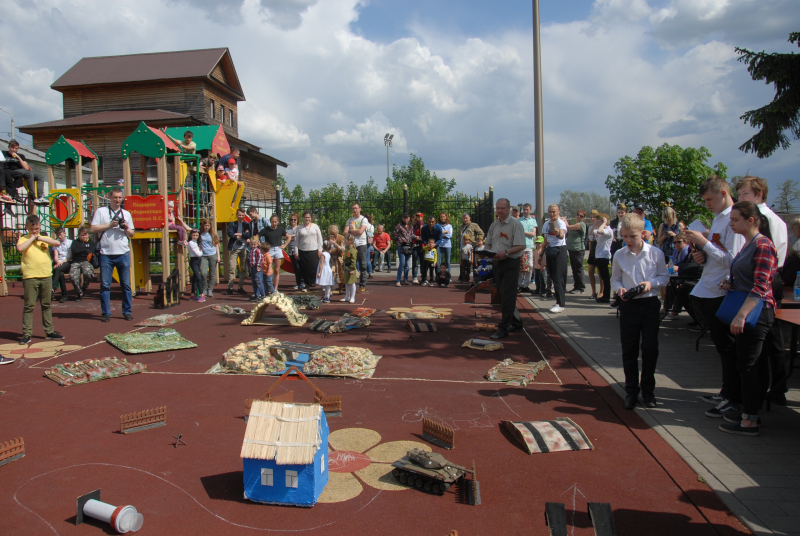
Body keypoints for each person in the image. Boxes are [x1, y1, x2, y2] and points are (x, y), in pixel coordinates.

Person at [683, 175, 744, 417]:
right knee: (721, 346)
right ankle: (726, 391)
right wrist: (702, 255)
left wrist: (704, 243)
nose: (707, 204)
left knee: (727, 347)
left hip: (723, 290)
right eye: (705, 200)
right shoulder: (719, 218)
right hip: (710, 286)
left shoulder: (733, 219)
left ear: (724, 193)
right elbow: (717, 253)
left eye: (710, 199)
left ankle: (733, 396)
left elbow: (732, 260)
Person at [717, 201, 778, 436]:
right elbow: (748, 278)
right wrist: (730, 283)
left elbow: (761, 286)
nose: (731, 224)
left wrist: (741, 315)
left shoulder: (763, 245)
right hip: (749, 309)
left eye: (735, 220)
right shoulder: (750, 244)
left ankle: (749, 420)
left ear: (751, 220)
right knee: (751, 364)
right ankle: (750, 411)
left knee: (748, 364)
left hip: (756, 313)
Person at [735, 176, 789, 405]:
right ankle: (772, 389)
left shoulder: (768, 220)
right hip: (759, 280)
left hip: (766, 281)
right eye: (739, 195)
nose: (740, 198)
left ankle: (775, 389)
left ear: (759, 194)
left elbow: (771, 257)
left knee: (769, 339)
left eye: (745, 194)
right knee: (765, 342)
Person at [611, 214, 670, 409]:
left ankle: (648, 391)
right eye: (625, 236)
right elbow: (615, 279)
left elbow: (664, 277)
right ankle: (631, 391)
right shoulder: (619, 255)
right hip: (629, 306)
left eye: (633, 236)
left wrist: (650, 284)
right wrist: (619, 289)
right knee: (629, 349)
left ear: (643, 234)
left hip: (650, 304)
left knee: (650, 348)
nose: (628, 240)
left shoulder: (655, 253)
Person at [17, 215, 64, 344]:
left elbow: (57, 243)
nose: (35, 231)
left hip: (46, 275)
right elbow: (20, 248)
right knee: (29, 305)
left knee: (46, 304)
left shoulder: (43, 238)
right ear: (27, 227)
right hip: (30, 276)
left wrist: (39, 237)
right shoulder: (23, 238)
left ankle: (49, 331)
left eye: (37, 229)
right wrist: (32, 238)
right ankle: (27, 333)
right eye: (32, 229)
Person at [91, 188, 136, 321]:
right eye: (115, 197)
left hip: (123, 253)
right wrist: (110, 225)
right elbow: (93, 229)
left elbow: (132, 234)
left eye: (120, 197)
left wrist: (126, 227)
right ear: (110, 197)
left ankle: (127, 311)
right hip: (106, 254)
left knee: (126, 285)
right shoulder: (101, 211)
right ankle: (106, 313)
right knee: (105, 285)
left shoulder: (126, 214)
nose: (117, 200)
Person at [485, 198, 527, 338]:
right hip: (497, 263)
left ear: (509, 209)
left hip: (510, 262)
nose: (500, 210)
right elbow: (488, 243)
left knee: (507, 294)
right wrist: (485, 252)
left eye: (502, 208)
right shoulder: (494, 225)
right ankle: (517, 322)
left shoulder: (515, 224)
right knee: (503, 295)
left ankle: (503, 328)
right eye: (498, 208)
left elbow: (521, 245)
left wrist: (506, 252)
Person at [542, 204, 568, 313]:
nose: (552, 214)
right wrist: (541, 254)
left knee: (558, 277)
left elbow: (562, 235)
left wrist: (558, 233)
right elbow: (545, 240)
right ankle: (558, 301)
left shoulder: (561, 222)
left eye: (554, 211)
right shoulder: (546, 224)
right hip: (550, 250)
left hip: (559, 249)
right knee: (552, 276)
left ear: (558, 211)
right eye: (550, 211)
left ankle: (560, 304)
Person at [657, 206, 685, 309]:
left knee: (674, 276)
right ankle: (665, 299)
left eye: (668, 217)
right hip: (665, 252)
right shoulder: (662, 225)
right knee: (664, 275)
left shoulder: (679, 225)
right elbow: (659, 241)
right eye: (665, 217)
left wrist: (674, 235)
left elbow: (684, 238)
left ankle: (673, 301)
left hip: (676, 252)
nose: (667, 219)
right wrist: (665, 236)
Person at [3, 140, 47, 205]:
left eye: (16, 148)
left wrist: (18, 157)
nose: (14, 150)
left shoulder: (21, 155)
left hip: (23, 170)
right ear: (9, 147)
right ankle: (33, 197)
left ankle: (40, 197)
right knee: (29, 173)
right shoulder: (4, 154)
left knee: (40, 176)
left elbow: (26, 168)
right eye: (12, 147)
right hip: (13, 170)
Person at [344, 203, 371, 292]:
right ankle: (349, 283)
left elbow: (360, 231)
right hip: (351, 245)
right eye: (353, 208)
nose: (354, 210)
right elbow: (345, 232)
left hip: (361, 244)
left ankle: (362, 285)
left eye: (356, 208)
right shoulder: (350, 220)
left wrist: (350, 231)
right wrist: (352, 231)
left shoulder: (364, 219)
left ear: (360, 209)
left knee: (362, 265)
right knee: (350, 264)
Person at [258, 214, 288, 291]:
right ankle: (268, 286)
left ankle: (275, 288)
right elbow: (257, 236)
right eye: (272, 221)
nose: (274, 223)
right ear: (270, 221)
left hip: (278, 249)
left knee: (277, 270)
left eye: (275, 222)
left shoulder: (280, 229)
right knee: (267, 268)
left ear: (277, 222)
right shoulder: (266, 229)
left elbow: (289, 237)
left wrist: (284, 246)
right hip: (269, 249)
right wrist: (261, 245)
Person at [225, 208, 251, 295]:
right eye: (239, 215)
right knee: (232, 267)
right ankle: (230, 287)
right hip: (234, 248)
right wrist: (240, 236)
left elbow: (248, 234)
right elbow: (230, 234)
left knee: (243, 268)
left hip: (243, 248)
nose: (241, 217)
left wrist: (238, 234)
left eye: (242, 215)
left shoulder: (246, 224)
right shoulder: (232, 224)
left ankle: (240, 286)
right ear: (236, 215)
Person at [296, 211, 323, 291]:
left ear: (311, 218)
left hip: (314, 250)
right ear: (303, 218)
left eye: (308, 217)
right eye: (305, 217)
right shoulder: (299, 228)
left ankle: (316, 283)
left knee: (314, 267)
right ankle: (306, 284)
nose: (307, 219)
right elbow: (296, 241)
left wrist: (320, 249)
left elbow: (320, 239)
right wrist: (296, 252)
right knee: (304, 269)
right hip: (303, 250)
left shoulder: (315, 226)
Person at [67, 226, 95, 301]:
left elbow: (92, 250)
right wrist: (85, 249)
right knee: (72, 276)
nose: (84, 237)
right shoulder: (75, 242)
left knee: (88, 273)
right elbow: (75, 251)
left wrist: (83, 250)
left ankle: (84, 287)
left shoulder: (91, 242)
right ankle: (79, 292)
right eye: (82, 235)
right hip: (76, 261)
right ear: (79, 235)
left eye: (86, 235)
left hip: (86, 261)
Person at [593, 213, 614, 303]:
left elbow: (599, 231)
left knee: (605, 278)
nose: (597, 222)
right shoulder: (602, 229)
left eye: (599, 221)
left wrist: (604, 223)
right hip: (599, 255)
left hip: (604, 256)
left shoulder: (608, 230)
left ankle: (606, 296)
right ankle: (605, 295)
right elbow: (592, 232)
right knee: (602, 276)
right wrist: (597, 224)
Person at [565, 210, 587, 294]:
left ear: (583, 217)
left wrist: (565, 220)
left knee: (578, 268)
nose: (579, 216)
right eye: (578, 215)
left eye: (581, 216)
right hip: (572, 248)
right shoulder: (575, 223)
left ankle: (581, 287)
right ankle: (576, 286)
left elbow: (568, 227)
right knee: (574, 268)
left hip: (578, 249)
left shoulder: (581, 224)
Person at [518, 203, 538, 293]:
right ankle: (519, 284)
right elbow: (518, 233)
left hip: (529, 245)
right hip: (521, 245)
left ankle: (526, 284)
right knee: (521, 266)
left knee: (530, 265)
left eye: (527, 209)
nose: (525, 211)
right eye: (524, 210)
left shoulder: (533, 221)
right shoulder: (519, 221)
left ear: (530, 210)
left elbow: (533, 233)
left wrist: (524, 232)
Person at [198, 219, 220, 298]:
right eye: (205, 225)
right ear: (203, 226)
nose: (207, 227)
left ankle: (210, 289)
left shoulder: (213, 234)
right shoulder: (200, 234)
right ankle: (204, 289)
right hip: (203, 255)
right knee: (203, 273)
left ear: (210, 226)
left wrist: (218, 256)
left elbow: (216, 245)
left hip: (212, 254)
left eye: (208, 225)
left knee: (212, 273)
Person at [51, 227, 72, 303]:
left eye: (61, 234)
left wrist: (60, 263)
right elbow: (55, 257)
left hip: (67, 262)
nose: (59, 236)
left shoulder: (70, 242)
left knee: (58, 269)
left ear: (64, 233)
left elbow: (70, 257)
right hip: (59, 263)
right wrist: (57, 263)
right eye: (58, 235)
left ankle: (53, 287)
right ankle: (64, 295)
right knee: (60, 273)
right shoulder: (56, 243)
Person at [393, 214, 415, 286]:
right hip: (401, 245)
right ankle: (398, 280)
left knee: (407, 264)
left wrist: (416, 237)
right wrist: (398, 242)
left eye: (407, 218)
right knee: (402, 263)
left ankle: (406, 280)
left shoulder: (411, 226)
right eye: (404, 218)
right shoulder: (399, 226)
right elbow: (395, 234)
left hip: (408, 246)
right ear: (403, 218)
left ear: (409, 218)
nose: (406, 219)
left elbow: (412, 234)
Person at [285, 214, 303, 290]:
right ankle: (297, 283)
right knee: (295, 267)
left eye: (294, 219)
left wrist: (290, 236)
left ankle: (302, 282)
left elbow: (298, 236)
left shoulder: (300, 228)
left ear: (297, 220)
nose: (293, 221)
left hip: (298, 249)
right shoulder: (288, 228)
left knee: (299, 267)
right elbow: (286, 237)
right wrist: (293, 236)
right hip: (290, 250)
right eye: (291, 219)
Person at [187, 229, 205, 302]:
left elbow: (199, 254)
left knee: (195, 278)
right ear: (191, 235)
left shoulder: (196, 242)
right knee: (198, 277)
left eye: (196, 235)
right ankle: (202, 294)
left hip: (198, 260)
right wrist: (201, 252)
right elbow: (198, 254)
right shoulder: (191, 243)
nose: (195, 237)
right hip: (194, 261)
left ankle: (192, 295)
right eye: (193, 235)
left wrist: (200, 252)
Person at [327, 224, 345, 293]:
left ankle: (340, 288)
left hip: (339, 257)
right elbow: (325, 248)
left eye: (334, 234)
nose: (332, 235)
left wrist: (335, 244)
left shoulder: (341, 238)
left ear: (337, 232)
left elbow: (343, 249)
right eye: (331, 234)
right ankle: (330, 289)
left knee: (340, 273)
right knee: (331, 273)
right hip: (331, 257)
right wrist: (329, 245)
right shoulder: (328, 239)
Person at [587, 211, 600, 299]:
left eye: (594, 217)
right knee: (590, 271)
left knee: (600, 272)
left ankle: (602, 291)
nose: (592, 219)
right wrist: (590, 251)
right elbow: (590, 237)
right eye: (591, 217)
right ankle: (593, 291)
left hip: (600, 250)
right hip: (593, 250)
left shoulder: (602, 227)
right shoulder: (591, 227)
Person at [341, 235, 358, 303]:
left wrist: (352, 269)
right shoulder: (347, 250)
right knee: (346, 283)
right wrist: (342, 268)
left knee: (352, 283)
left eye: (345, 241)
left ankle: (352, 297)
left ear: (350, 241)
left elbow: (353, 261)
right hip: (346, 268)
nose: (344, 242)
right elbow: (344, 260)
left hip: (350, 268)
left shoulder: (352, 250)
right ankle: (347, 296)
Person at [249, 237, 265, 301]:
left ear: (257, 244)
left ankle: (263, 295)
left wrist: (258, 265)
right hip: (252, 267)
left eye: (254, 244)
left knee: (258, 281)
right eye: (252, 244)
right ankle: (256, 295)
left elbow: (260, 258)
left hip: (257, 267)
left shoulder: (258, 250)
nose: (253, 246)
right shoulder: (251, 251)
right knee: (254, 282)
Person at [411, 213, 424, 284]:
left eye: (419, 217)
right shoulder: (412, 226)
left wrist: (420, 238)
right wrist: (416, 237)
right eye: (416, 217)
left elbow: (424, 234)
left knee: (423, 262)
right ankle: (415, 277)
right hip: (415, 245)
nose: (417, 218)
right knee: (415, 262)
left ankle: (423, 277)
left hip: (422, 245)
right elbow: (410, 234)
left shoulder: (422, 225)